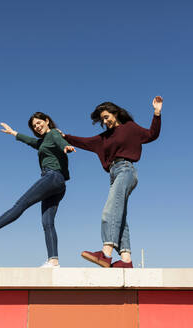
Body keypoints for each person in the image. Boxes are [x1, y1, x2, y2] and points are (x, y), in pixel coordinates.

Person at [60, 96, 163, 268]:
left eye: (107, 117)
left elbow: (152, 134)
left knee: (109, 211)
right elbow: (85, 142)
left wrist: (157, 113)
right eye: (102, 120)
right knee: (119, 215)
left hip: (126, 170)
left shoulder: (130, 128)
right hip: (114, 174)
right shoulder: (104, 138)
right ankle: (126, 260)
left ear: (115, 113)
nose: (105, 121)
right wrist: (64, 136)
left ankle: (105, 253)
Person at [0, 112, 75, 268]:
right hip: (59, 184)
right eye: (34, 126)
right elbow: (30, 141)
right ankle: (53, 261)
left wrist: (66, 146)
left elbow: (58, 139)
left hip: (52, 177)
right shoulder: (44, 141)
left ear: (47, 121)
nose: (37, 127)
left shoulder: (54, 134)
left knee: (21, 203)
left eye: (38, 123)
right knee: (47, 222)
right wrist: (13, 132)